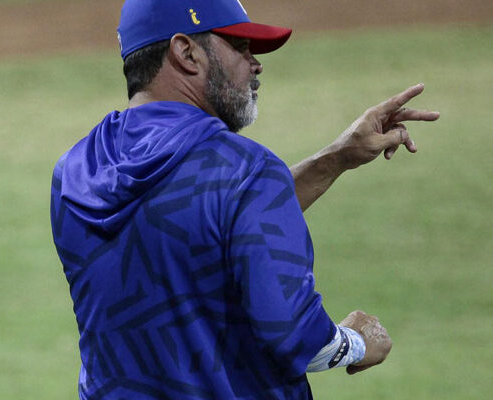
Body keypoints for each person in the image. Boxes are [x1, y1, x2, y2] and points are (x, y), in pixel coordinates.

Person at [50, 0, 440, 399]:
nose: (255, 65)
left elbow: (198, 220)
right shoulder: (245, 169)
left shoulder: (74, 172)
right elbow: (293, 335)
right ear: (186, 52)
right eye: (239, 47)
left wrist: (335, 158)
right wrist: (357, 342)